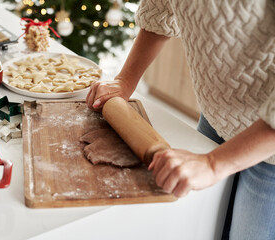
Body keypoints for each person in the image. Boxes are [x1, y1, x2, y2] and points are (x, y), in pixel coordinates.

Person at [85, 1, 275, 239]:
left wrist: (214, 164)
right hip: (217, 115)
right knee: (201, 221)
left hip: (271, 146)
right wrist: (125, 80)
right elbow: (160, 9)